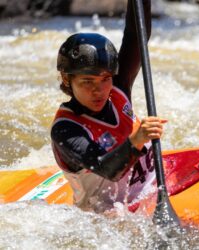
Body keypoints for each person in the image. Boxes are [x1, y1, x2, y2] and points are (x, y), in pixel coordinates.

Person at [51, 0, 165, 213]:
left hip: (152, 192)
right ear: (67, 80)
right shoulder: (66, 129)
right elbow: (106, 168)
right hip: (109, 219)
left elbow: (136, 34)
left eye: (105, 78)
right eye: (87, 81)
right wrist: (137, 139)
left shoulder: (118, 88)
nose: (99, 89)